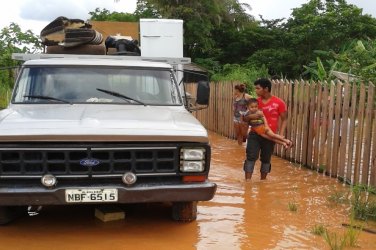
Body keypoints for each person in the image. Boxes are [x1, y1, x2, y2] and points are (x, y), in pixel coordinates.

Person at [243, 78, 289, 180]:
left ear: (266, 89)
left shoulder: (279, 103)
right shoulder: (255, 102)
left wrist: (280, 135)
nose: (256, 90)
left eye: (258, 88)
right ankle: (247, 182)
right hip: (254, 134)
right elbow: (245, 118)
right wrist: (251, 117)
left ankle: (263, 182)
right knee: (251, 157)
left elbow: (284, 119)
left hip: (269, 135)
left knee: (266, 159)